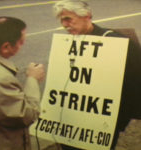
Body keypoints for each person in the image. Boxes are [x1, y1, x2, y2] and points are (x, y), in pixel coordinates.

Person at [53, 0, 141, 150]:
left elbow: (135, 85)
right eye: (62, 21)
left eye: (68, 19)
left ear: (87, 16)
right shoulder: (69, 43)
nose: (65, 25)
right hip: (73, 121)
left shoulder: (117, 43)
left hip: (102, 123)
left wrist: (118, 121)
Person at [0, 16, 45, 150]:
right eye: (21, 42)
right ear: (6, 47)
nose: (23, 45)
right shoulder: (0, 79)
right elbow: (26, 115)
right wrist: (33, 79)